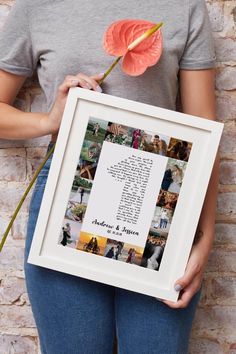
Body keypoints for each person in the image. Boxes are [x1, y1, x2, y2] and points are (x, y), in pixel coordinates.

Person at [0, 1, 219, 353]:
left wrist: (204, 237)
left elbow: (206, 134)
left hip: (159, 203)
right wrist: (48, 121)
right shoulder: (36, 7)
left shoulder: (183, 6)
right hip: (67, 198)